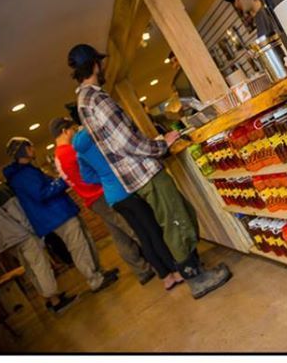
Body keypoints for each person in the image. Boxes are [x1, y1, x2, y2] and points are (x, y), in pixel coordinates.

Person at [70, 44, 232, 299]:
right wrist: (161, 144)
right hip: (143, 171)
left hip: (133, 176)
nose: (103, 68)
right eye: (100, 64)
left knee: (178, 216)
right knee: (176, 220)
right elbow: (127, 142)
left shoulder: (83, 103)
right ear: (93, 65)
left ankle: (195, 269)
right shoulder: (97, 99)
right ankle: (196, 278)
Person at [71, 115, 185, 291]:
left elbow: (86, 177)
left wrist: (105, 178)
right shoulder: (100, 134)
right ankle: (175, 271)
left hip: (113, 197)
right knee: (154, 230)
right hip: (129, 187)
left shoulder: (79, 150)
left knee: (142, 235)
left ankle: (165, 277)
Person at [3, 137, 118, 293]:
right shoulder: (22, 175)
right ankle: (95, 280)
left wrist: (57, 181)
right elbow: (42, 194)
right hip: (56, 216)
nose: (33, 149)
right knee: (78, 247)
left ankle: (99, 272)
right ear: (22, 150)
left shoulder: (27, 171)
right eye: (29, 147)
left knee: (84, 242)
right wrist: (63, 180)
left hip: (59, 212)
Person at [50, 117, 155, 285]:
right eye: (73, 129)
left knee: (119, 234)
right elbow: (90, 173)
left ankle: (142, 270)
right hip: (100, 194)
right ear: (65, 131)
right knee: (131, 227)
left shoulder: (58, 156)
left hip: (91, 200)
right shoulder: (70, 151)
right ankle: (158, 262)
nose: (75, 132)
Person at [0, 163, 77, 313]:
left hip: (4, 242)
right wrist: (33, 229)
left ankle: (48, 298)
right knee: (40, 266)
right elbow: (17, 212)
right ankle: (55, 300)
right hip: (20, 234)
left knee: (30, 270)